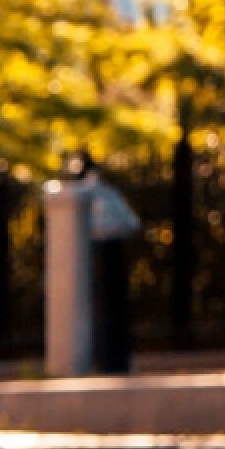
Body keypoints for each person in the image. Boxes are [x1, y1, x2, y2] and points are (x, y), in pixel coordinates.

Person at [72, 151, 142, 375]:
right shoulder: (107, 194)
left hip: (97, 257)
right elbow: (132, 223)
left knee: (102, 310)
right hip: (109, 255)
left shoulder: (81, 196)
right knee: (110, 310)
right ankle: (112, 361)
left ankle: (108, 361)